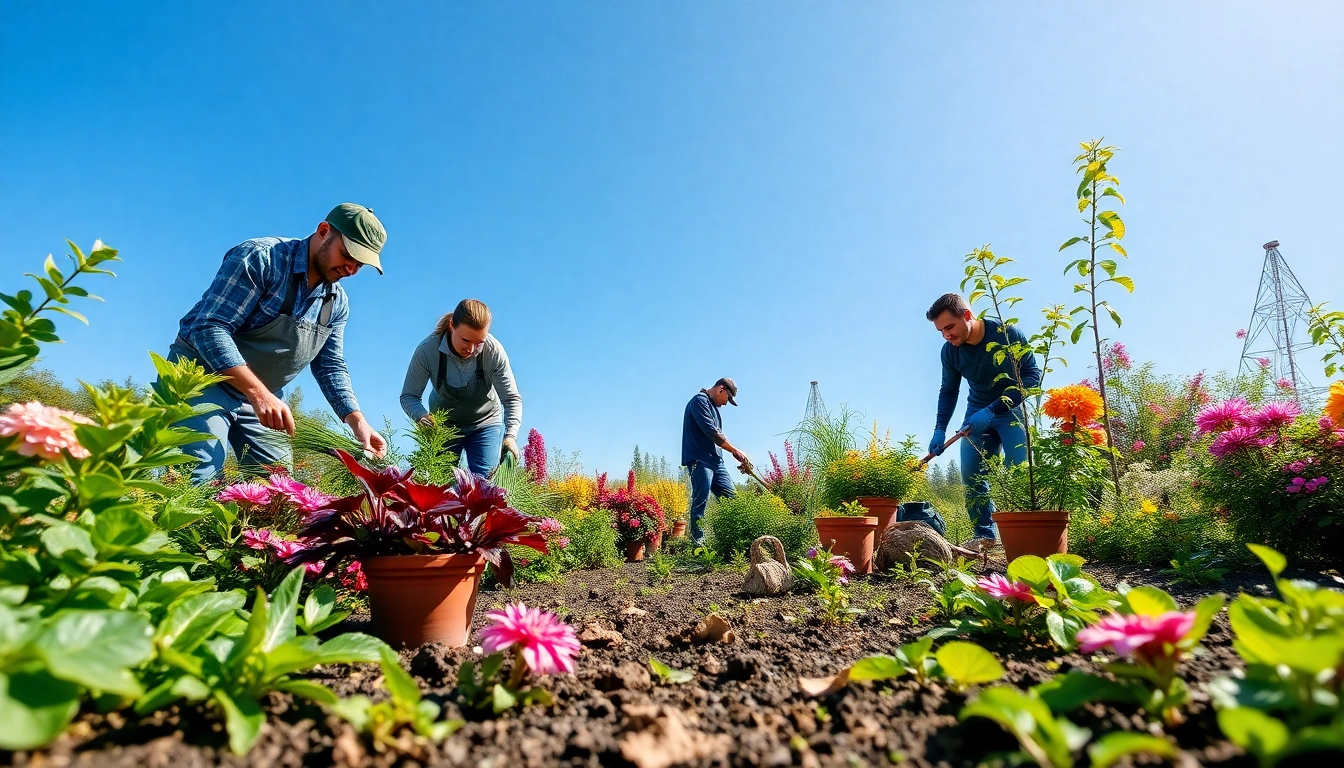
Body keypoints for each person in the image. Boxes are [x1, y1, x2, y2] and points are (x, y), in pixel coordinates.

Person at [170, 203, 388, 483]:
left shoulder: (336, 303)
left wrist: (358, 422)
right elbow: (209, 327)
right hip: (201, 378)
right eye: (347, 255)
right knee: (200, 476)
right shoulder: (261, 258)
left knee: (281, 490)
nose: (351, 269)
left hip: (263, 396)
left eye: (361, 264)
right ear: (323, 232)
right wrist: (259, 394)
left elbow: (330, 366)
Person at [926, 293, 1041, 549]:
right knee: (972, 474)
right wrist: (939, 429)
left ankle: (1025, 535)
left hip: (1011, 410)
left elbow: (1032, 376)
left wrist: (994, 408)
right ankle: (985, 536)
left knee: (1019, 471)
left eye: (949, 327)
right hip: (976, 414)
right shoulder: (950, 352)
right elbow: (948, 391)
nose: (946, 335)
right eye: (940, 331)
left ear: (967, 315)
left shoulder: (1007, 334)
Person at [399, 299, 522, 476]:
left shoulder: (493, 351)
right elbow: (409, 396)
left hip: (485, 423)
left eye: (479, 342)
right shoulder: (427, 351)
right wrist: (422, 417)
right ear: (451, 326)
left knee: (483, 486)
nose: (472, 349)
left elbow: (511, 399)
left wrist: (510, 436)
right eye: (465, 340)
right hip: (444, 428)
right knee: (441, 485)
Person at [681, 378, 748, 546]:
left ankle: (734, 541)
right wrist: (734, 450)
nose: (726, 403)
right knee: (700, 500)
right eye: (728, 398)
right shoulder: (699, 401)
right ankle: (698, 543)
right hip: (700, 460)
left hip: (717, 462)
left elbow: (718, 436)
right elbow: (712, 433)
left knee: (732, 500)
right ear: (721, 389)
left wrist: (735, 454)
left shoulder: (714, 408)